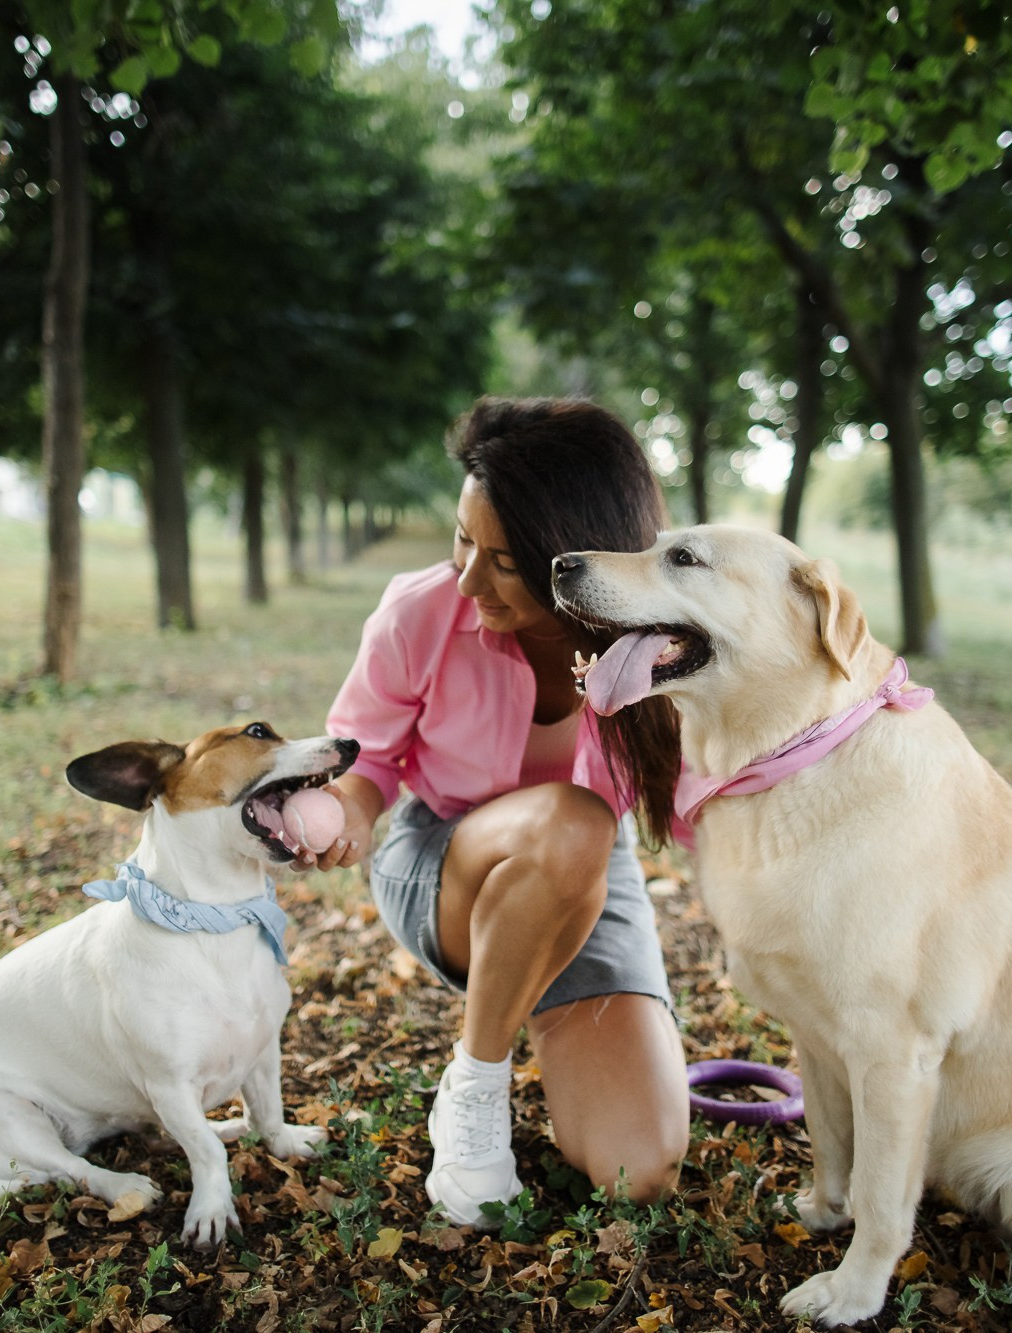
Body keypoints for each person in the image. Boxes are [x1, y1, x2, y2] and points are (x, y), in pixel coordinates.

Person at [311, 397, 690, 1227]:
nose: (468, 580)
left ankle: (548, 1018)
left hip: (586, 873)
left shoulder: (663, 644)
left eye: (505, 561)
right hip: (445, 859)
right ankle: (475, 1088)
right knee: (576, 822)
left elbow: (710, 799)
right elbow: (365, 756)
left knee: (639, 1167)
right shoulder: (419, 612)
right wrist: (350, 810)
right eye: (462, 541)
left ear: (573, 557)